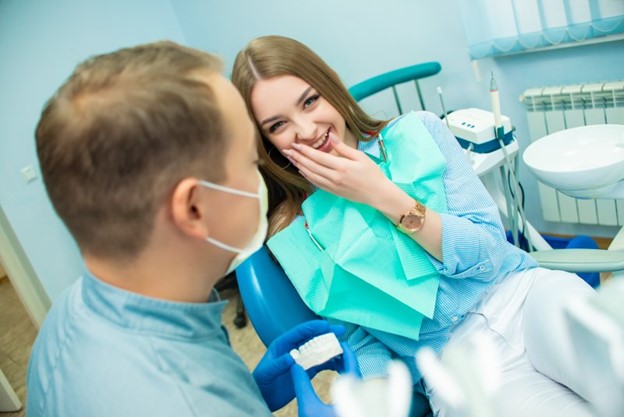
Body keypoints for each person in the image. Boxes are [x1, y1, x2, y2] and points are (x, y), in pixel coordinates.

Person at [231, 35, 605, 417]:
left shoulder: (419, 131)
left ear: (329, 87)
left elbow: (491, 254)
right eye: (279, 125)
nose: (307, 130)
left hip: (523, 297)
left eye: (310, 101)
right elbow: (361, 335)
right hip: (453, 365)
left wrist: (381, 194)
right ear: (267, 142)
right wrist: (374, 398)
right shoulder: (293, 232)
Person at [26, 41, 355, 417]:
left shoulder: (71, 310)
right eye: (250, 162)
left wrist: (249, 393)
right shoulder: (187, 403)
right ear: (194, 208)